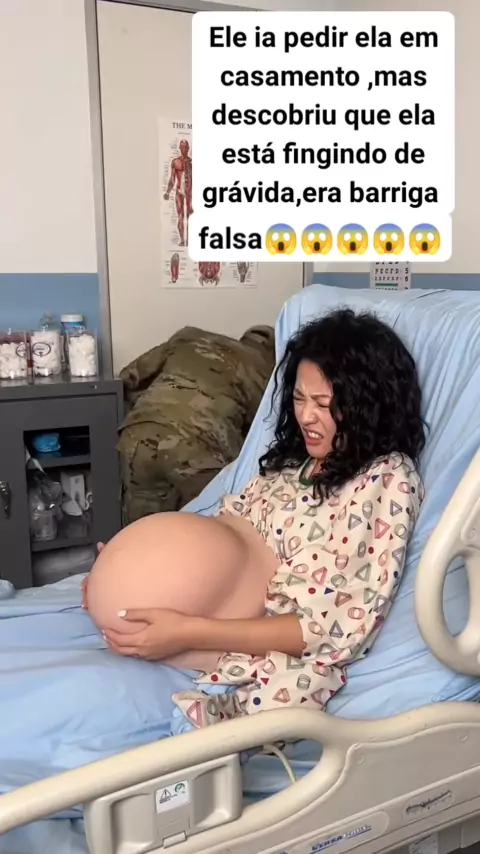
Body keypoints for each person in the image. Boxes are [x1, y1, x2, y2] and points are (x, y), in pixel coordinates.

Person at [84, 309, 425, 728]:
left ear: (368, 406)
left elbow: (330, 627)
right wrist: (121, 566)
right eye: (298, 399)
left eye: (323, 404)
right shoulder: (296, 461)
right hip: (167, 622)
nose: (305, 416)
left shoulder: (384, 478)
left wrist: (187, 630)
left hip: (204, 632)